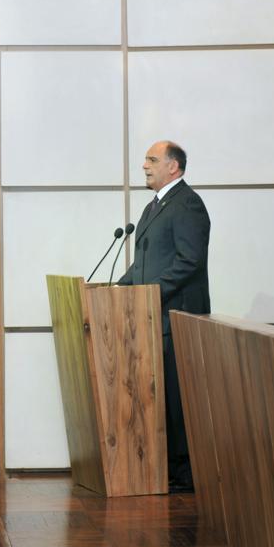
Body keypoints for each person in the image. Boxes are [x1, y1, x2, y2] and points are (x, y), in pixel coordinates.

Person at [117, 140, 210, 494]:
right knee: (160, 400)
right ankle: (166, 468)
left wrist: (149, 292)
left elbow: (189, 261)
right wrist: (117, 289)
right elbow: (142, 266)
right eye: (145, 160)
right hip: (152, 319)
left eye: (152, 159)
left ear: (173, 167)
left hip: (176, 319)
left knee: (177, 400)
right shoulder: (153, 207)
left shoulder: (187, 204)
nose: (144, 165)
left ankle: (187, 473)